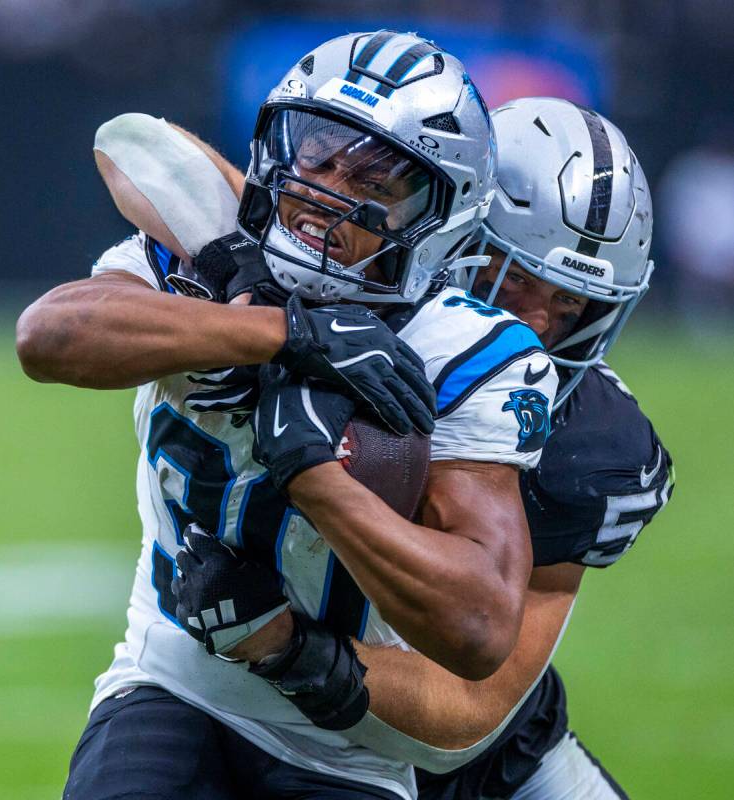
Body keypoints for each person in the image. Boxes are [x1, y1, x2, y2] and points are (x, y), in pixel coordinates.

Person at [16, 31, 558, 800]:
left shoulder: (464, 349)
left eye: (376, 176)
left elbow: (475, 630)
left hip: (342, 742)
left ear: (441, 209)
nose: (326, 190)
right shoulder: (203, 256)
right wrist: (285, 330)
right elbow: (49, 337)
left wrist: (316, 479)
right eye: (317, 153)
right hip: (172, 678)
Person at [114, 97, 674, 798]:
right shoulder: (321, 295)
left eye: (570, 306)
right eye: (515, 280)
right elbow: (141, 146)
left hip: (490, 763)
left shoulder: (591, 448)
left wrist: (291, 650)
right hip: (249, 719)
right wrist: (252, 283)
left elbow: (469, 714)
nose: (538, 323)